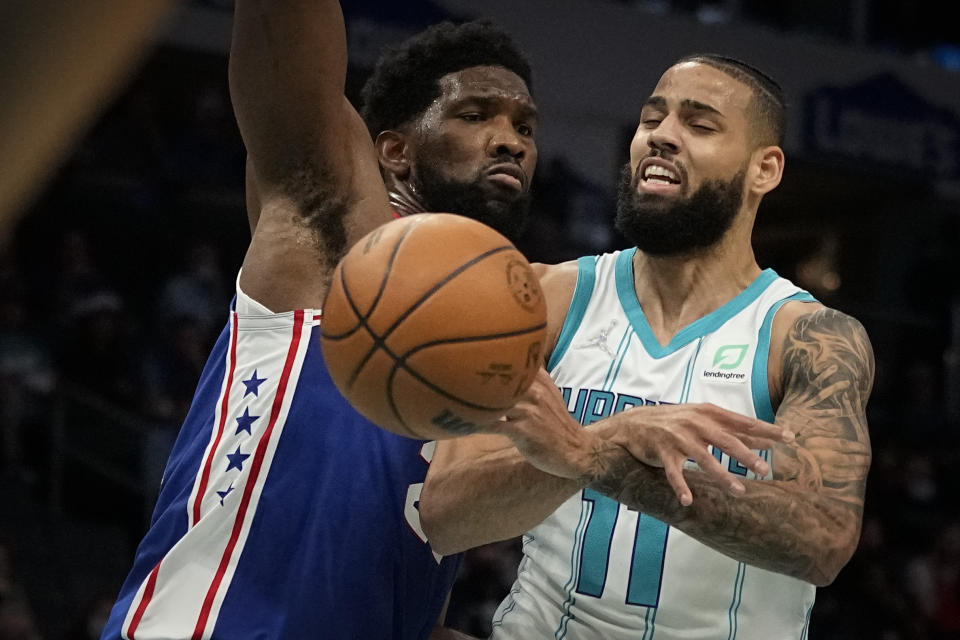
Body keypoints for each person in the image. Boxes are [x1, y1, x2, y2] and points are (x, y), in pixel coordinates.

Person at [100, 2, 786, 636]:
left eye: (524, 126)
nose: (509, 140)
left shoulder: (506, 351)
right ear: (394, 150)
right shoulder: (333, 223)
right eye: (476, 115)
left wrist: (599, 450)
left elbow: (417, 561)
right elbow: (288, 50)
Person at [420, 54, 874, 639]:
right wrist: (594, 445)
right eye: (651, 119)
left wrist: (591, 457)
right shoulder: (543, 298)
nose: (661, 136)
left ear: (765, 168)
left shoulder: (807, 336)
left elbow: (824, 538)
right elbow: (445, 514)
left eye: (699, 124)